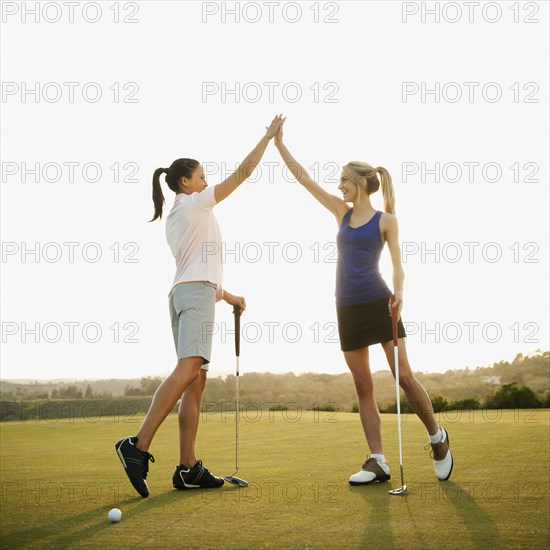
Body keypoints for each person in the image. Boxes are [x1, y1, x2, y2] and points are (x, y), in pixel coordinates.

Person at [274, 120, 453, 485]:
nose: (338, 186)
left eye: (343, 180)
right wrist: (279, 144)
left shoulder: (387, 220)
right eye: (339, 181)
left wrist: (400, 293)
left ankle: (437, 436)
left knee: (403, 377)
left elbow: (398, 267)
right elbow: (303, 178)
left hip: (379, 303)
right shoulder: (340, 213)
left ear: (359, 183)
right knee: (363, 386)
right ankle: (378, 461)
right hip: (347, 307)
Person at [116, 115, 285, 498]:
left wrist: (229, 295)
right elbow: (242, 174)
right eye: (202, 176)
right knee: (189, 368)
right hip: (193, 296)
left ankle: (188, 468)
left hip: (191, 293)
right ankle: (137, 446)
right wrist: (267, 137)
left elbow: (200, 270)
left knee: (197, 379)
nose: (207, 182)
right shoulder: (193, 204)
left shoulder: (184, 212)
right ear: (185, 183)